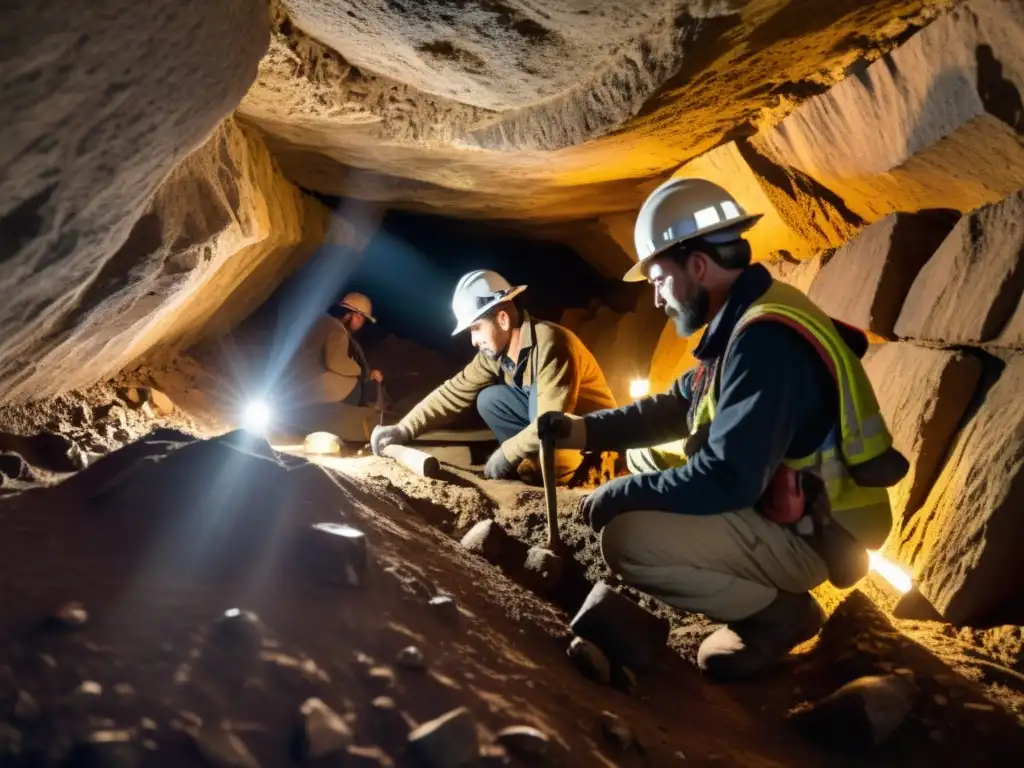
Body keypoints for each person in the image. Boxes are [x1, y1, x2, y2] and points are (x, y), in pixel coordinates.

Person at [537, 177, 907, 681]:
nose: (657, 299)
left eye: (659, 280)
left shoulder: (764, 342)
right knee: (646, 464)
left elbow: (727, 479)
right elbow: (675, 405)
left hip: (816, 533)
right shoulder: (744, 319)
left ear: (697, 266)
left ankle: (777, 616)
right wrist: (581, 431)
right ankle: (768, 596)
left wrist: (622, 494)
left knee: (628, 539)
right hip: (789, 508)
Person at [370, 270, 617, 482]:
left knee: (537, 409)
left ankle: (558, 469)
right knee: (490, 399)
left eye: (476, 328)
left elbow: (550, 421)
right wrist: (403, 429)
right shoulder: (495, 354)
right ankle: (534, 463)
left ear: (503, 319)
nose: (474, 341)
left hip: (592, 438)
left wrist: (506, 454)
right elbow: (453, 391)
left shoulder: (552, 344)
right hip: (550, 426)